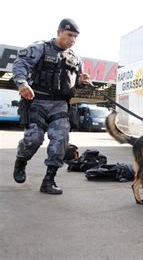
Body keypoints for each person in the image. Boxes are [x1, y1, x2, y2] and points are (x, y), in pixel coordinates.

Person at [12, 18, 93, 195]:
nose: (72, 39)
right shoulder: (40, 47)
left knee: (60, 141)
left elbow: (75, 82)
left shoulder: (76, 59)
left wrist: (82, 80)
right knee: (33, 140)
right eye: (69, 35)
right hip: (37, 101)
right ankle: (21, 161)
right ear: (59, 32)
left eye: (75, 37)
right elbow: (20, 64)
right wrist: (22, 83)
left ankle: (48, 181)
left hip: (60, 105)